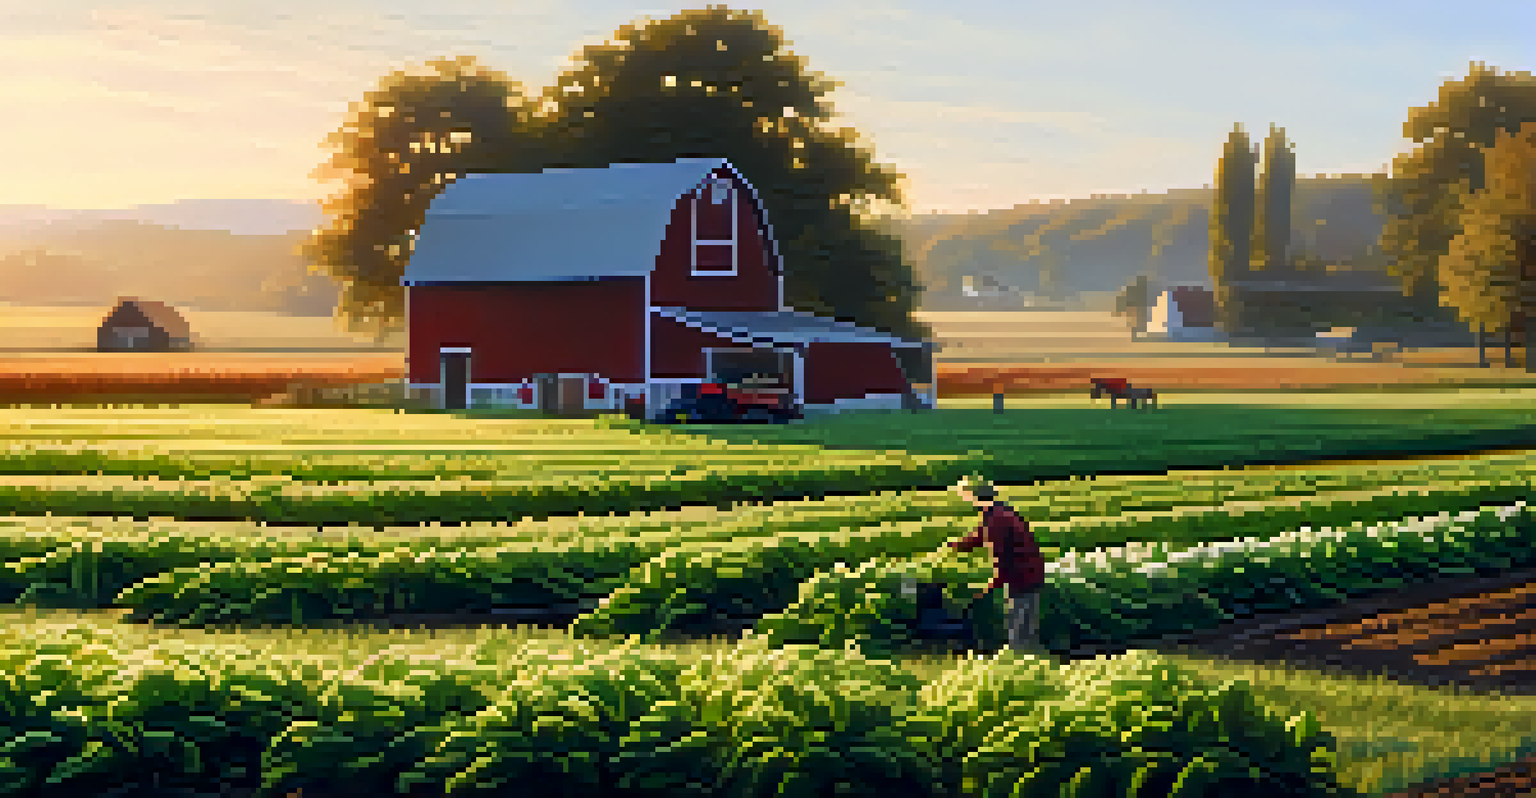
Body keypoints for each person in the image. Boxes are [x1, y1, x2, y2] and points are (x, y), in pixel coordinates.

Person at [948, 474, 1047, 654]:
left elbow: (1001, 556)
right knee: (1025, 622)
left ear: (974, 496)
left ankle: (1020, 663)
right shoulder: (998, 511)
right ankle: (1029, 658)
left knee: (1019, 626)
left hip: (1023, 576)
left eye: (966, 496)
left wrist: (991, 586)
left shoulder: (996, 519)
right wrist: (956, 546)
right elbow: (980, 535)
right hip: (1030, 572)